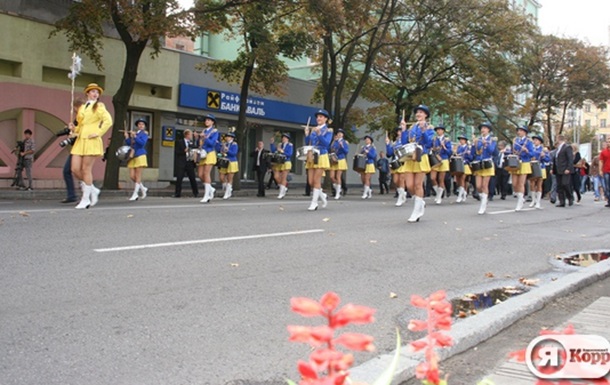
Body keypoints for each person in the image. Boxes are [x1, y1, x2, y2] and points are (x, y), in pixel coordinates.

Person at [69, 83, 113, 209]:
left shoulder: (99, 106)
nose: (95, 94)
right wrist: (74, 128)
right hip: (80, 140)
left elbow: (108, 121)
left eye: (97, 92)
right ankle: (92, 188)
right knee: (74, 169)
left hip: (91, 140)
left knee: (86, 169)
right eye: (93, 91)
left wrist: (98, 133)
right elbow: (81, 125)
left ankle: (85, 199)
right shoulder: (82, 107)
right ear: (87, 93)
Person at [405, 105, 432, 223]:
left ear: (425, 115)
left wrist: (423, 130)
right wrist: (403, 131)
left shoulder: (429, 127)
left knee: (417, 185)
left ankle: (416, 212)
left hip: (421, 156)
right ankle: (420, 201)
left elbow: (429, 143)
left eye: (421, 112)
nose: (418, 114)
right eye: (417, 112)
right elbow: (405, 142)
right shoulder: (411, 127)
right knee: (409, 185)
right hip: (410, 157)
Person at [305, 109, 332, 211]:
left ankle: (314, 203)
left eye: (321, 117)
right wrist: (307, 134)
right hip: (312, 155)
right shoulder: (314, 129)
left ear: (325, 119)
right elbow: (309, 143)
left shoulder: (328, 131)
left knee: (316, 180)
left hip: (321, 155)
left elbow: (326, 144)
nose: (318, 118)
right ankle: (323, 196)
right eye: (318, 117)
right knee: (311, 182)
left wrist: (319, 134)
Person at [61, 99, 84, 203]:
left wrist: (73, 132)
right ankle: (72, 195)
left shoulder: (83, 117)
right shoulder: (77, 119)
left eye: (74, 107)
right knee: (68, 171)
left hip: (82, 148)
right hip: (76, 147)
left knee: (77, 170)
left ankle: (88, 190)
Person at [472, 122, 496, 214]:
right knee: (478, 186)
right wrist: (475, 144)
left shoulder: (492, 139)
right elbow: (474, 152)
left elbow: (491, 151)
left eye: (485, 128)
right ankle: (484, 199)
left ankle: (483, 204)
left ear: (488, 130)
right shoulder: (478, 139)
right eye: (482, 128)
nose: (483, 130)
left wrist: (486, 144)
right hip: (479, 163)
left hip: (487, 163)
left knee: (484, 185)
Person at [509, 126, 534, 211]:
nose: (519, 132)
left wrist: (526, 150)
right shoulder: (515, 140)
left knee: (521, 183)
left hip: (524, 162)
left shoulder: (528, 141)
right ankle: (521, 197)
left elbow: (532, 153)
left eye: (520, 131)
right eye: (518, 131)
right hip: (516, 162)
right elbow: (512, 150)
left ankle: (520, 201)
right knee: (514, 184)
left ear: (525, 132)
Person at [196, 114, 219, 203]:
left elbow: (212, 143)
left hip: (210, 153)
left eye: (209, 120)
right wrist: (198, 137)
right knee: (200, 174)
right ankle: (211, 189)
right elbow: (200, 143)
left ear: (212, 122)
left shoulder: (214, 131)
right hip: (203, 153)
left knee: (206, 173)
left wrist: (205, 137)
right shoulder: (204, 130)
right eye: (206, 120)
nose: (206, 121)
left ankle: (206, 195)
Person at [125, 118, 149, 201]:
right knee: (132, 176)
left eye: (142, 124)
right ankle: (143, 188)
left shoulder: (144, 134)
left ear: (144, 126)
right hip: (133, 155)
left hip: (140, 155)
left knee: (138, 176)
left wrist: (135, 136)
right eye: (139, 124)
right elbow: (130, 143)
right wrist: (127, 137)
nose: (141, 125)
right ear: (137, 126)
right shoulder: (135, 133)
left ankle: (135, 194)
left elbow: (142, 143)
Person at [386, 125, 409, 206]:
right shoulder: (395, 142)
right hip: (396, 162)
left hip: (403, 161)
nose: (399, 133)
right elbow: (389, 153)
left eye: (401, 131)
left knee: (402, 179)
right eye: (398, 131)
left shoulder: (406, 140)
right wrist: (388, 144)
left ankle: (400, 197)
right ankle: (403, 194)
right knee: (395, 181)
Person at [429, 125, 452, 204]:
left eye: (440, 130)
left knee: (441, 179)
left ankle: (439, 196)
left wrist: (444, 147)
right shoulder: (434, 140)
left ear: (443, 131)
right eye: (437, 130)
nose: (438, 131)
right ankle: (438, 193)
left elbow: (450, 152)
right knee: (432, 178)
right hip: (435, 159)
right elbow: (430, 147)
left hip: (444, 159)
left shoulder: (447, 140)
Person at [174, 129, 199, 198]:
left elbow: (196, 149)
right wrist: (184, 151)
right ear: (187, 135)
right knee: (179, 178)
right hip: (182, 162)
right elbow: (177, 152)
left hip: (190, 162)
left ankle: (196, 192)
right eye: (190, 135)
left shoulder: (192, 143)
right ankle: (177, 193)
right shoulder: (179, 142)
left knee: (192, 178)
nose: (191, 136)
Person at [527, 134, 550, 209]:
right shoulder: (531, 148)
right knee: (532, 184)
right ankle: (533, 200)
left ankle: (538, 201)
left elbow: (548, 159)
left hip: (540, 167)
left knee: (539, 184)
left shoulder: (543, 149)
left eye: (536, 140)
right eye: (534, 140)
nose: (534, 141)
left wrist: (544, 156)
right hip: (532, 166)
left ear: (540, 142)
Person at [552, 135, 574, 207]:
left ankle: (570, 197)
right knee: (559, 186)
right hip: (558, 170)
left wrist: (568, 168)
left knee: (565, 184)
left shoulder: (567, 147)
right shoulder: (558, 149)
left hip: (565, 169)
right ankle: (562, 201)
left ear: (559, 139)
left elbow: (570, 159)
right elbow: (555, 159)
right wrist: (553, 169)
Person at [270, 133, 293, 199]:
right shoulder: (280, 145)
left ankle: (281, 193)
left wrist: (282, 151)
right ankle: (284, 187)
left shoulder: (290, 145)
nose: (283, 139)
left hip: (286, 162)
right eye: (283, 138)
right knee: (276, 176)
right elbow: (274, 151)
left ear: (287, 139)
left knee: (283, 177)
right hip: (279, 162)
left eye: (285, 138)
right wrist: (272, 143)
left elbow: (289, 154)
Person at [217, 132, 239, 200]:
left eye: (228, 137)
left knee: (230, 178)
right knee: (221, 177)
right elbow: (219, 150)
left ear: (232, 138)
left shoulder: (234, 144)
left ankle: (227, 192)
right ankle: (228, 188)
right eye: (226, 136)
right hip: (224, 161)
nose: (227, 138)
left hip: (231, 161)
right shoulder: (224, 144)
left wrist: (227, 150)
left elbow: (234, 153)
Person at [329, 129, 349, 199]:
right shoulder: (335, 142)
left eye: (341, 133)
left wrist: (342, 146)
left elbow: (346, 151)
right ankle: (338, 189)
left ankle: (337, 193)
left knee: (338, 176)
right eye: (338, 133)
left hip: (341, 159)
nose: (339, 134)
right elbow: (331, 149)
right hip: (334, 159)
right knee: (331, 177)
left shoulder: (344, 142)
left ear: (343, 135)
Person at [453, 134, 472, 203]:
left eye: (462, 139)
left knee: (462, 179)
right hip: (458, 164)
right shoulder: (458, 148)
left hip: (465, 164)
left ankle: (460, 195)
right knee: (458, 180)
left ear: (465, 141)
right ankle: (464, 192)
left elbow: (470, 157)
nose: (461, 141)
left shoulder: (468, 148)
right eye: (460, 139)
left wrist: (466, 159)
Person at [599, 138, 610, 208]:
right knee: (607, 187)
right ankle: (609, 200)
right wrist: (600, 170)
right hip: (606, 171)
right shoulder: (603, 152)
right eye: (608, 142)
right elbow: (601, 161)